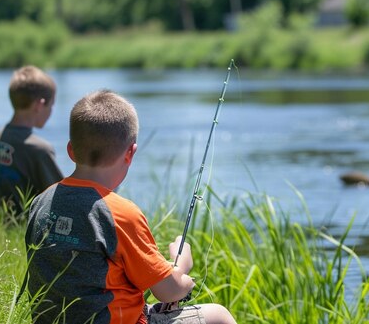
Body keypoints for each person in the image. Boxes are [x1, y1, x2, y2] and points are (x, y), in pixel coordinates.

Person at [25, 90, 236, 324]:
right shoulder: (120, 214)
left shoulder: (41, 202)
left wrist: (161, 271)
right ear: (130, 153)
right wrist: (182, 265)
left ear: (71, 150)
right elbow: (168, 291)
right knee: (219, 315)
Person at [0, 65, 63, 215]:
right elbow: (63, 198)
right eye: (52, 105)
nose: (51, 111)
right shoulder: (39, 149)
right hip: (29, 230)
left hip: (2, 223)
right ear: (39, 105)